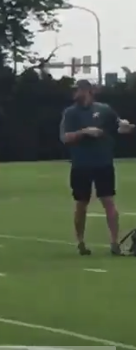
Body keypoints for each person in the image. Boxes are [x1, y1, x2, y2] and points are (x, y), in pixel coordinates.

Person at [60, 79, 134, 256]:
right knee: (81, 204)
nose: (74, 93)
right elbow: (65, 138)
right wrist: (84, 132)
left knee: (108, 201)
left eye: (77, 90)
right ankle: (81, 242)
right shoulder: (70, 113)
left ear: (87, 91)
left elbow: (119, 127)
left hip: (104, 163)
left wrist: (125, 125)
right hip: (81, 165)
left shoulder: (104, 109)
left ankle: (115, 243)